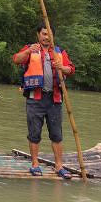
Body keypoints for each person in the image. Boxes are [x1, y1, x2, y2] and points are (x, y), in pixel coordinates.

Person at [13, 22, 75, 179]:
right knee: (34, 133)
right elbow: (16, 59)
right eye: (44, 34)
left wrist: (62, 67)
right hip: (35, 99)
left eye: (49, 34)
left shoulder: (59, 52)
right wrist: (28, 51)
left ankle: (59, 166)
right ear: (38, 35)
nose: (47, 37)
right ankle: (35, 164)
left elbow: (71, 69)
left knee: (57, 134)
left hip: (55, 99)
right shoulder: (31, 49)